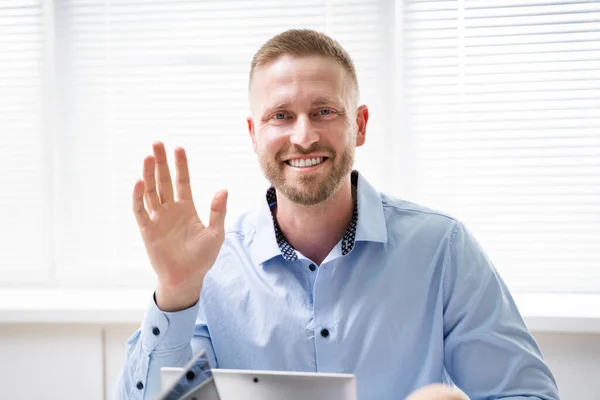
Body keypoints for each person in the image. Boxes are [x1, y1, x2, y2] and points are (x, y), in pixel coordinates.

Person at [115, 29, 560, 400]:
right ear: (254, 134)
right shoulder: (211, 266)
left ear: (360, 125)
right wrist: (175, 292)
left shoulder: (441, 249)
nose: (303, 137)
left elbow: (527, 394)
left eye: (324, 111)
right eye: (281, 116)